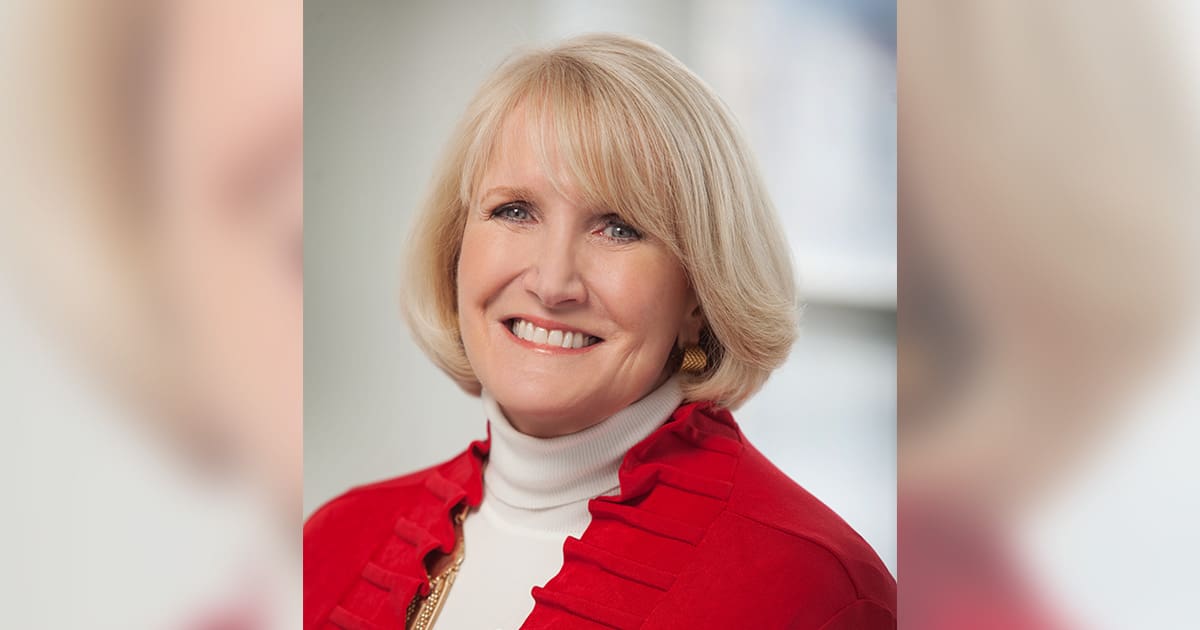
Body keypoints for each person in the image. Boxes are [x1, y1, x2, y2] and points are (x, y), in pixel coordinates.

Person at [304, 33, 895, 629]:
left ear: (698, 294)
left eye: (619, 228)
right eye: (515, 211)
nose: (552, 282)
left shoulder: (814, 589)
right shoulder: (333, 542)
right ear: (456, 247)